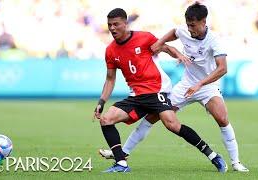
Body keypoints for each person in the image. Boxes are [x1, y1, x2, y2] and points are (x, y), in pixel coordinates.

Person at [99, 3, 249, 172]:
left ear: (203, 22)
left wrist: (199, 84)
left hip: (207, 86)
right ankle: (122, 156)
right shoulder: (184, 30)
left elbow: (222, 68)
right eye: (188, 24)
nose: (189, 29)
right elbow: (173, 33)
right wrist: (161, 42)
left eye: (192, 25)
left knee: (222, 119)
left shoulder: (214, 40)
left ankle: (235, 162)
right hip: (185, 85)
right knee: (153, 118)